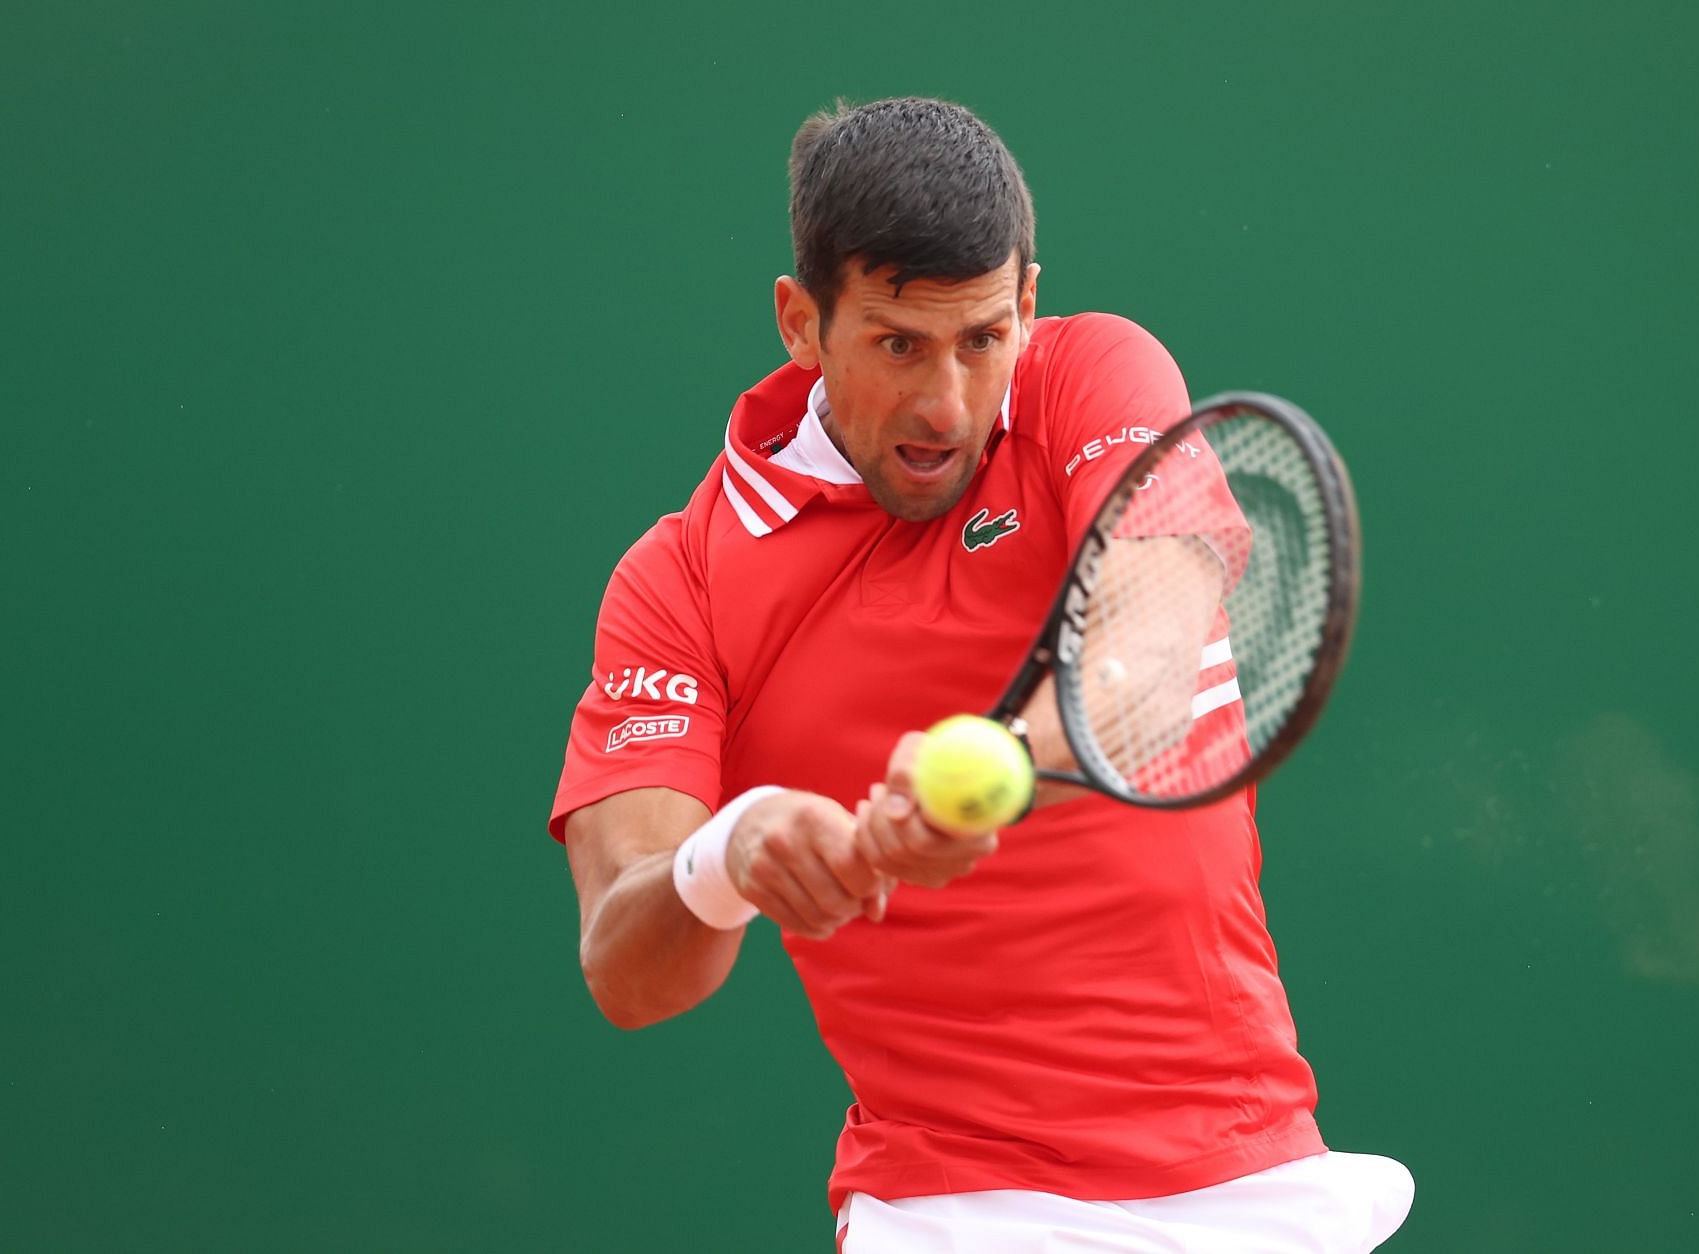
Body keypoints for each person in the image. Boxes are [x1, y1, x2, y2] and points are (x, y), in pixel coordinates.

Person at [549, 96, 1413, 1253]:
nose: (946, 406)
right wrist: (732, 853)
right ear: (801, 324)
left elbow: (1147, 666)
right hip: (950, 1208)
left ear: (1030, 307)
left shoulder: (1092, 379)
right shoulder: (682, 584)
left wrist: (1001, 769)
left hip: (1243, 1188)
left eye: (983, 340)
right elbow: (627, 967)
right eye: (898, 344)